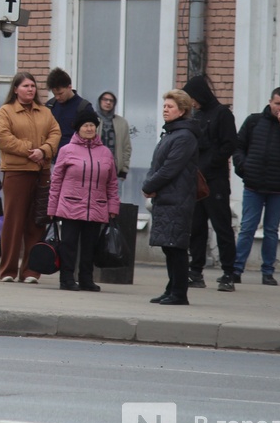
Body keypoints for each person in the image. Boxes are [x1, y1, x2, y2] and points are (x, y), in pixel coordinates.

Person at [231, 86, 280, 286]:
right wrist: (244, 168)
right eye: (277, 103)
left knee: (271, 230)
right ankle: (236, 269)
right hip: (254, 184)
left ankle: (268, 271)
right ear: (270, 102)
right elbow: (238, 146)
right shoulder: (254, 121)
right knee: (247, 227)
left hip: (279, 186)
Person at [0, 72, 61, 284]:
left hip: (41, 173)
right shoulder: (6, 111)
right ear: (15, 89)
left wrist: (44, 150)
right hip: (17, 172)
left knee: (36, 223)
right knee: (14, 222)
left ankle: (31, 271)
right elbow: (2, 138)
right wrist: (30, 150)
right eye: (25, 86)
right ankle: (8, 270)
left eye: (32, 86)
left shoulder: (45, 112)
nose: (30, 89)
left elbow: (55, 133)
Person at [47, 106, 119, 292]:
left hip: (96, 206)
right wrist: (52, 208)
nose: (89, 128)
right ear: (78, 128)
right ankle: (66, 279)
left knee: (90, 246)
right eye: (85, 125)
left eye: (92, 125)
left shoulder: (106, 153)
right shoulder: (66, 150)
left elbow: (112, 183)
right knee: (68, 245)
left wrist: (113, 206)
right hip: (70, 205)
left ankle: (86, 279)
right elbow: (56, 181)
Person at [143, 89, 200, 306]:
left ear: (182, 111)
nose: (165, 110)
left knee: (176, 246)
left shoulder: (184, 136)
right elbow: (156, 164)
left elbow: (169, 168)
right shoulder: (170, 133)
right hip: (166, 196)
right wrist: (150, 184)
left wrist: (150, 185)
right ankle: (171, 288)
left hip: (178, 198)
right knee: (169, 245)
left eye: (170, 107)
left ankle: (179, 293)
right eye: (164, 106)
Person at [182, 75, 238, 292]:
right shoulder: (197, 116)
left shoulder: (222, 114)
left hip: (215, 181)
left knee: (221, 226)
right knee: (196, 227)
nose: (191, 103)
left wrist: (209, 164)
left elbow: (229, 145)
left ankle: (228, 273)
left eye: (192, 98)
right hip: (197, 181)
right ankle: (195, 271)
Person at [45, 67, 92, 148]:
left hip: (75, 154)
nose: (57, 97)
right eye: (54, 94)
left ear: (69, 87)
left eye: (60, 93)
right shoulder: (50, 106)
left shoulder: (84, 107)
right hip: (52, 153)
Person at [95, 91, 132, 180]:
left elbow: (126, 147)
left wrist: (124, 169)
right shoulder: (91, 120)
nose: (108, 102)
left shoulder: (122, 123)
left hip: (114, 170)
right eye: (105, 99)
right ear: (99, 101)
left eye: (111, 101)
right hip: (94, 168)